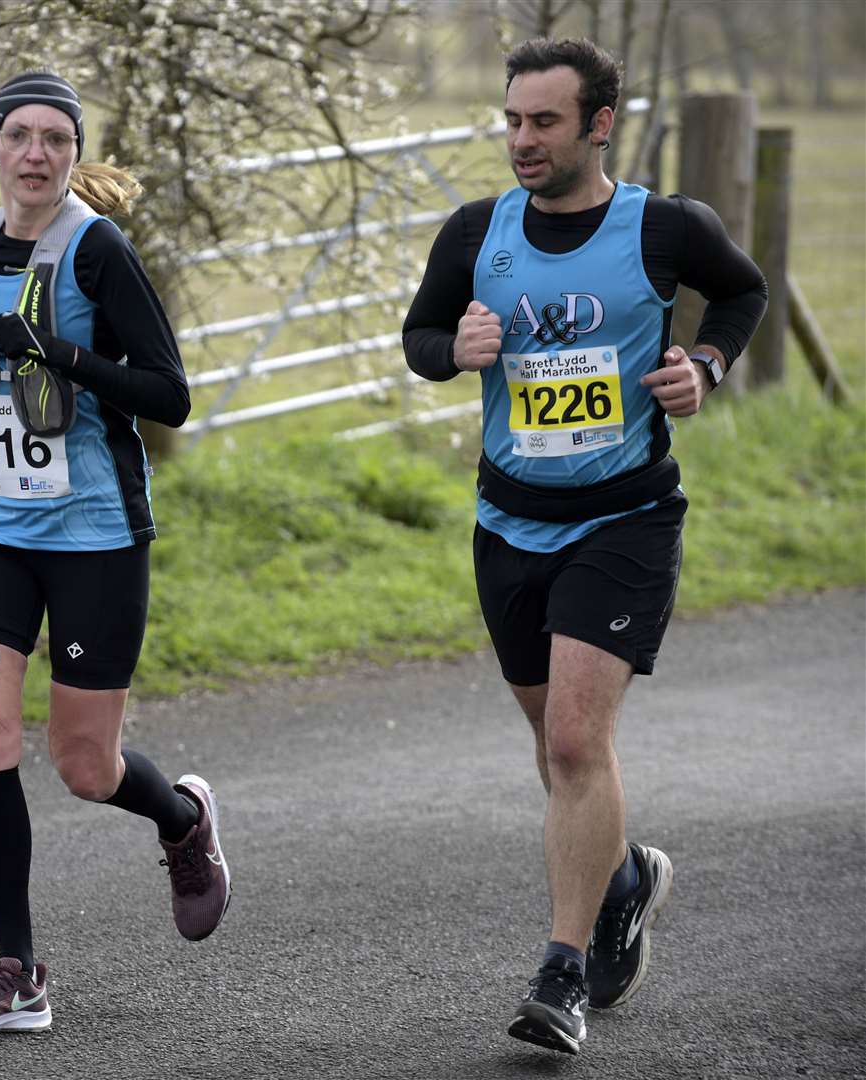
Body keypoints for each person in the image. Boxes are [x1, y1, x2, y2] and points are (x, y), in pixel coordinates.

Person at [402, 38, 766, 1055]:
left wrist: (703, 361)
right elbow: (421, 337)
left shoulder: (663, 227)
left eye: (543, 121)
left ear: (597, 123)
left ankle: (560, 976)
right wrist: (454, 351)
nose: (521, 139)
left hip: (624, 520)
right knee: (556, 746)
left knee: (571, 741)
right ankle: (622, 879)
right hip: (508, 522)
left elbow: (741, 294)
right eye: (511, 120)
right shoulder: (478, 232)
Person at [0, 72, 231, 1037]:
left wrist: (58, 353)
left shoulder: (97, 252)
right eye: (20, 137)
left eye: (55, 140)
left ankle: (181, 820)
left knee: (85, 765)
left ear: (75, 157)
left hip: (94, 538)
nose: (36, 154)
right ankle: (18, 973)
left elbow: (168, 396)